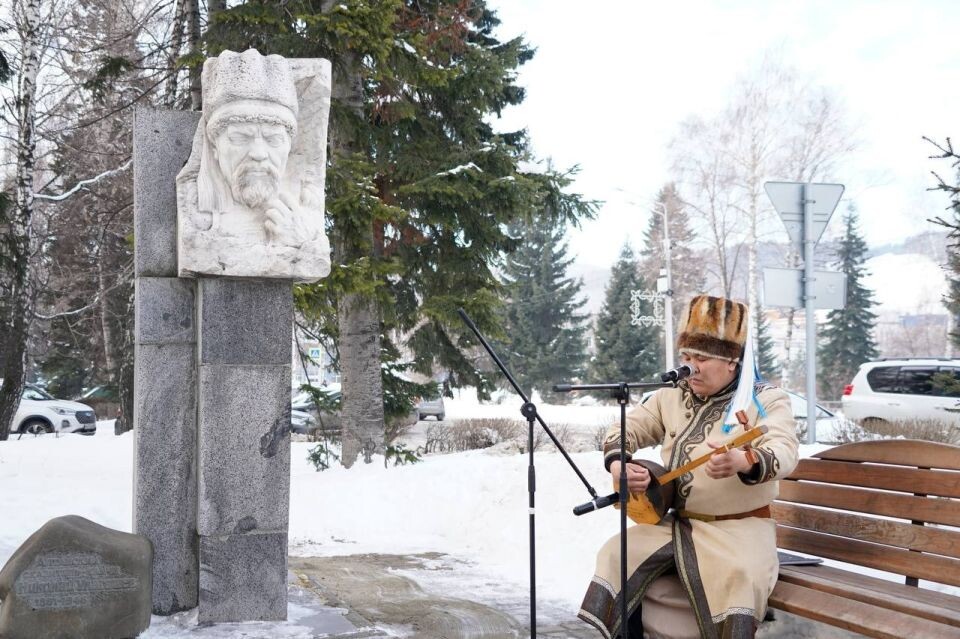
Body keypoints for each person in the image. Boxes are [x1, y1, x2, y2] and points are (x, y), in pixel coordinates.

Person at [578, 294, 799, 639]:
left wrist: (743, 460)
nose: (691, 367)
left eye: (702, 358)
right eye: (686, 357)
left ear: (731, 360)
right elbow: (629, 427)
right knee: (616, 555)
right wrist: (619, 461)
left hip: (738, 530)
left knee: (738, 577)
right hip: (675, 524)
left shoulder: (765, 399)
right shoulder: (672, 396)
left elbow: (783, 449)